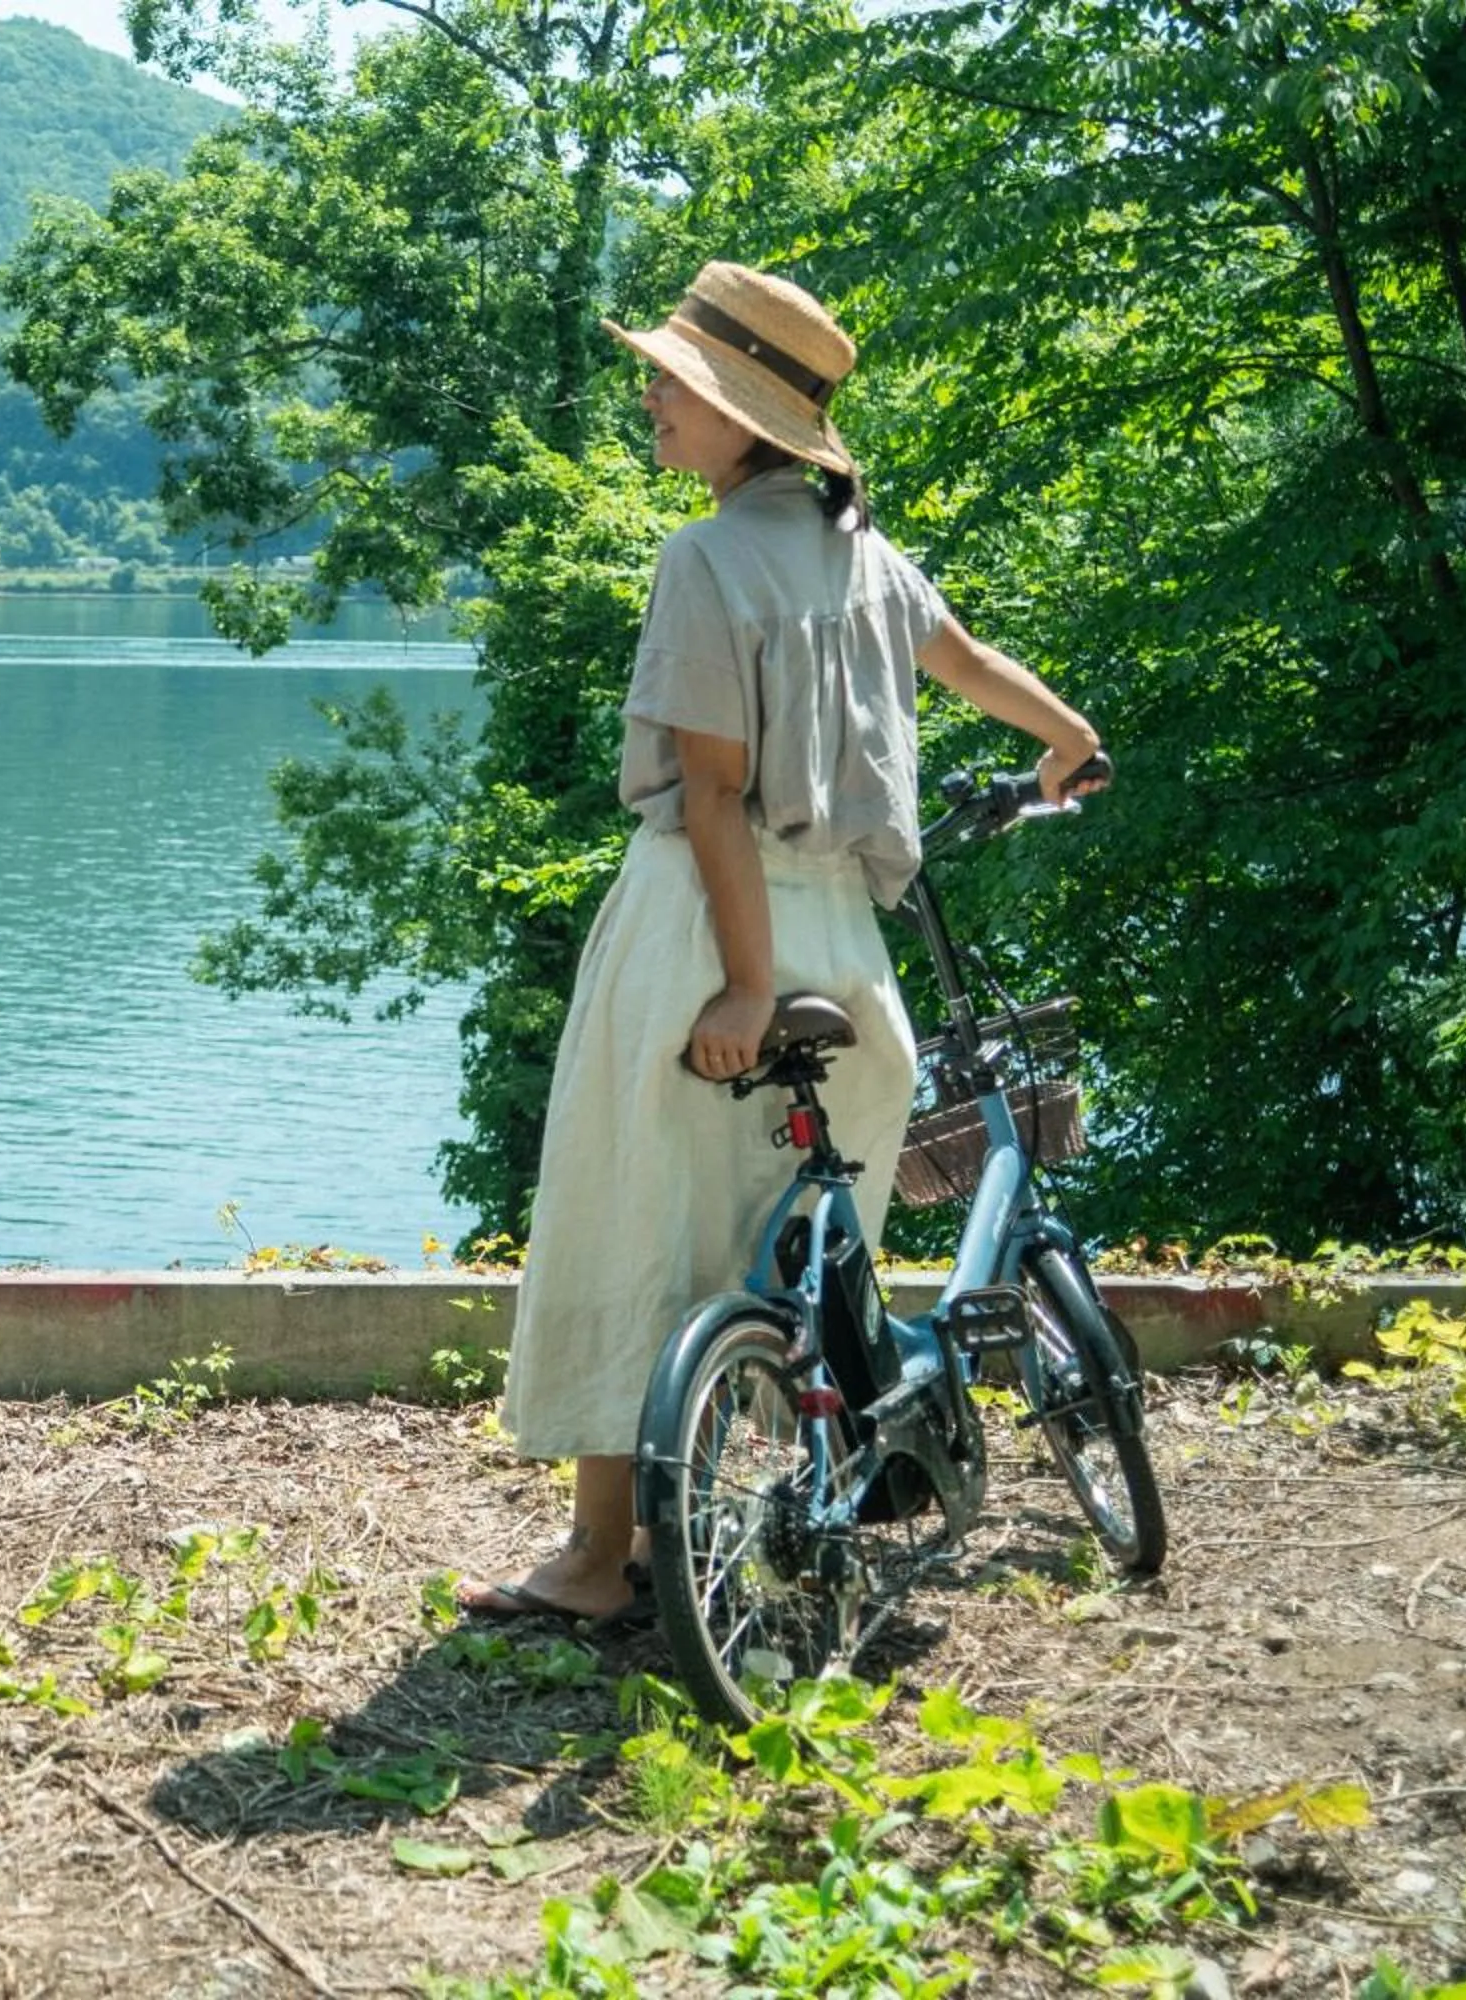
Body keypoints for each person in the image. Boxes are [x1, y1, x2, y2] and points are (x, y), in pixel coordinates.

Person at [458, 261, 1106, 1623]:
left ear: (742, 417)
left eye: (673, 384)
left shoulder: (704, 561)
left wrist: (744, 984)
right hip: (849, 959)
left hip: (710, 934)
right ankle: (739, 1519)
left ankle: (599, 1560)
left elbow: (708, 793)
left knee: (638, 1230)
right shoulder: (869, 560)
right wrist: (1067, 743)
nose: (651, 400)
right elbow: (971, 661)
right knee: (781, 1258)